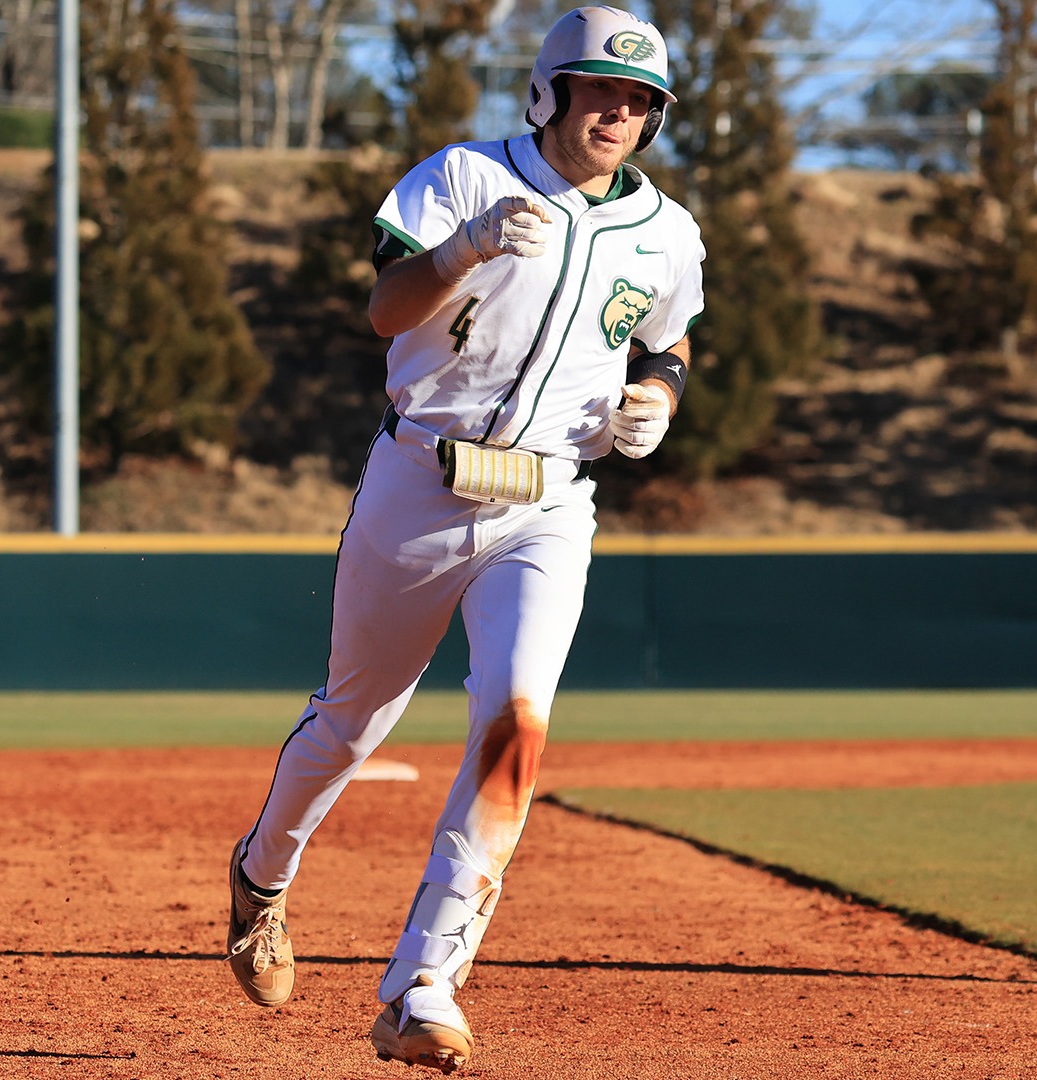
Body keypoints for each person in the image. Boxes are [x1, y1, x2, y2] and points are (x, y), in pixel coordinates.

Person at [225, 6, 705, 1073]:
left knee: (516, 728)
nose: (616, 114)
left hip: (549, 503)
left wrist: (659, 401)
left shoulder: (667, 232)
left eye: (638, 101)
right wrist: (464, 247)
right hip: (420, 483)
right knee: (353, 719)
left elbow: (667, 338)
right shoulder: (462, 178)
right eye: (599, 92)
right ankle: (262, 879)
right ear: (550, 92)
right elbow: (387, 310)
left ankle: (423, 984)